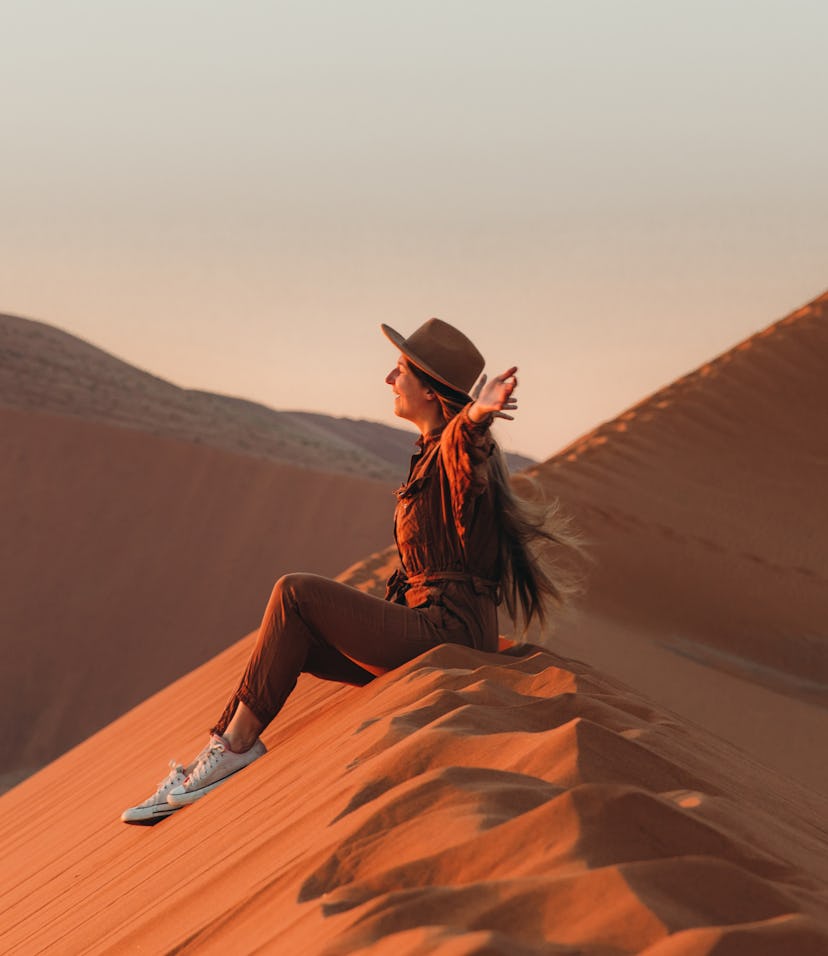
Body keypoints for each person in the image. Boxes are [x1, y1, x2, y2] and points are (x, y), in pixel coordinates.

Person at [121, 318, 582, 823]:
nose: (389, 378)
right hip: (429, 623)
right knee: (295, 637)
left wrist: (475, 415)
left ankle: (234, 748)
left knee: (294, 594)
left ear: (429, 391)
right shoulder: (429, 455)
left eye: (400, 370)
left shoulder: (457, 454)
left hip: (447, 631)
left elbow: (464, 451)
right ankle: (215, 751)